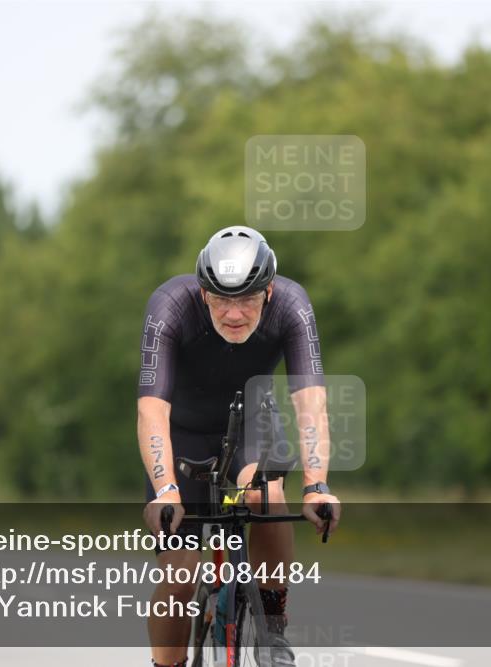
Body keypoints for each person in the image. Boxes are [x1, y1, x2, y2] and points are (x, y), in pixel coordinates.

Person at [138, 225, 341, 667]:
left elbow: (310, 404)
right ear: (202, 293)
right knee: (181, 577)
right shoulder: (170, 306)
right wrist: (166, 490)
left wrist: (317, 484)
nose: (234, 313)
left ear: (268, 293)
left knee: (264, 495)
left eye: (247, 299)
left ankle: (272, 628)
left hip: (252, 421)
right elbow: (152, 411)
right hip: (182, 434)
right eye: (222, 298)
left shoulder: (292, 305)